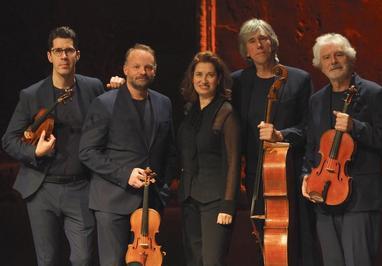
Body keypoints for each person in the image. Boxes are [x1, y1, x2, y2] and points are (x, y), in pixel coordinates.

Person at [2, 26, 104, 265]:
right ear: (50, 56)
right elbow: (9, 139)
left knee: (84, 258)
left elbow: (109, 120)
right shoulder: (32, 94)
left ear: (77, 54)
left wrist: (119, 89)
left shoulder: (93, 88)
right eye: (58, 51)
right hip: (42, 188)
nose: (64, 56)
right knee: (47, 260)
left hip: (81, 187)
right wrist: (34, 152)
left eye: (69, 50)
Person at [301, 33, 382, 266]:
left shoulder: (374, 94)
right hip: (324, 197)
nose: (333, 61)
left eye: (339, 55)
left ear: (351, 58)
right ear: (319, 65)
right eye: (326, 57)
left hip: (361, 199)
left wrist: (356, 127)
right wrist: (305, 175)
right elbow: (312, 146)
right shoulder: (317, 100)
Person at [78, 43, 176, 266]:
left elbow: (170, 151)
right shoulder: (104, 104)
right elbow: (87, 152)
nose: (143, 71)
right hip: (112, 202)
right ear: (125, 69)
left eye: (148, 67)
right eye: (137, 66)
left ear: (155, 70)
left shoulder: (163, 103)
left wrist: (164, 187)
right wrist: (125, 175)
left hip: (150, 205)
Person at [231, 18, 316, 265]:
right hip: (256, 173)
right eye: (252, 41)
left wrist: (282, 135)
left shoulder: (299, 79)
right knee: (262, 236)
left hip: (289, 169)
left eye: (263, 38)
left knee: (298, 236)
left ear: (273, 43)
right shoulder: (238, 82)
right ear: (245, 50)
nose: (258, 45)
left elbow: (309, 127)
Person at [177, 51, 241, 266]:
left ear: (219, 79)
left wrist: (228, 205)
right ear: (191, 78)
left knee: (212, 262)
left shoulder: (226, 112)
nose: (203, 80)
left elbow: (233, 162)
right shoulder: (190, 111)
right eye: (198, 74)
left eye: (210, 75)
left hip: (215, 201)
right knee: (194, 261)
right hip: (189, 199)